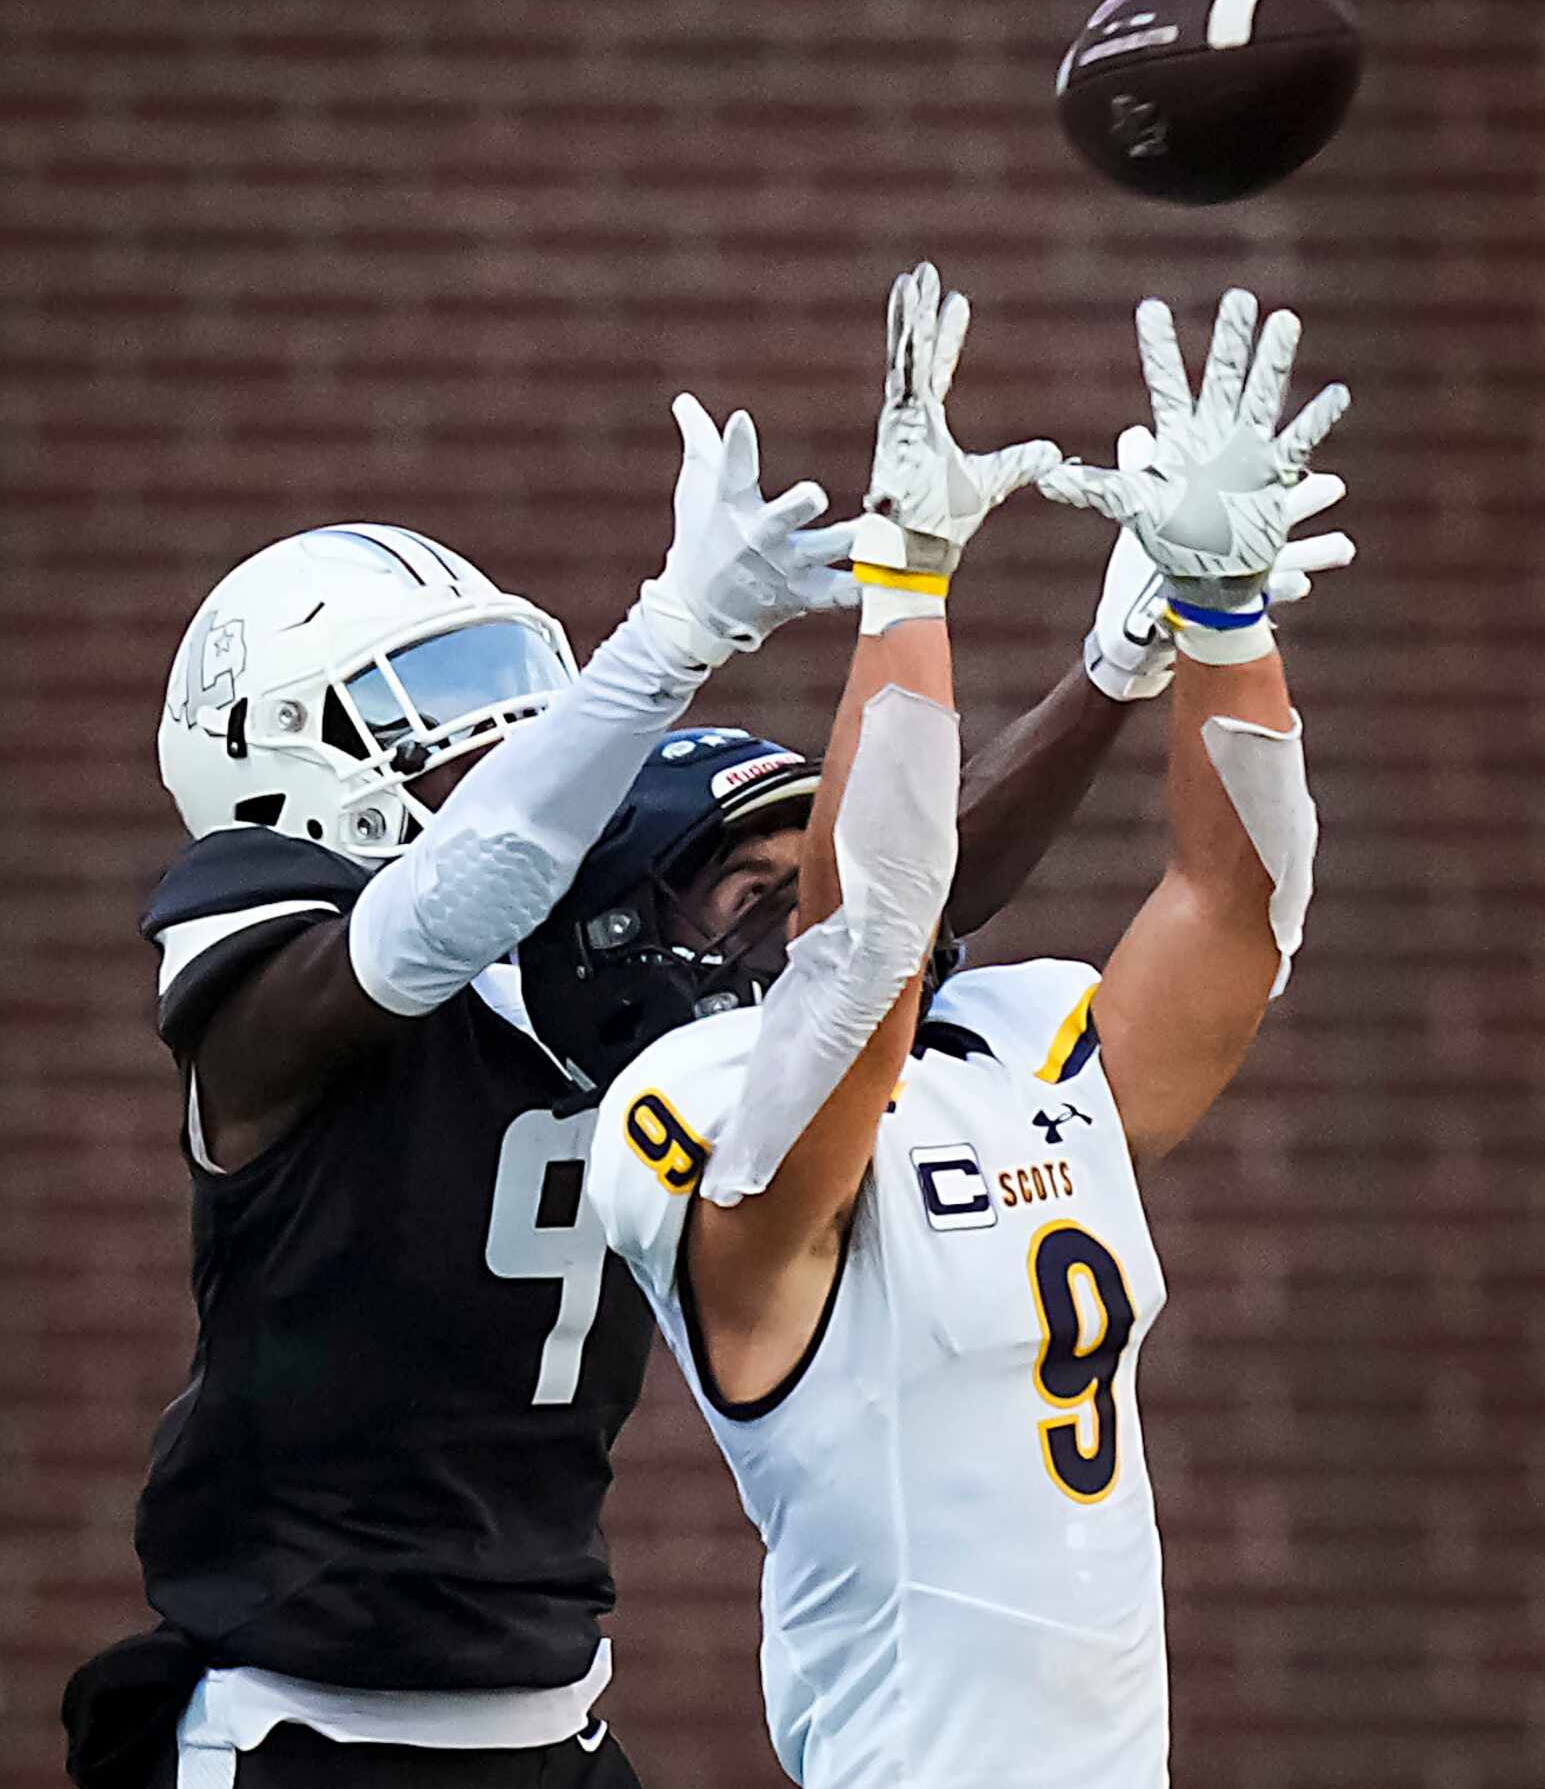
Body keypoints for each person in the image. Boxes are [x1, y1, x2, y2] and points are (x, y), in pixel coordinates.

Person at [62, 333, 1188, 1788]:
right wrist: (664, 640)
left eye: (499, 675)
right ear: (283, 754)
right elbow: (421, 930)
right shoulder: (281, 996)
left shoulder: (580, 954)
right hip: (299, 1730)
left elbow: (880, 913)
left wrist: (1116, 670)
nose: (494, 727)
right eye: (423, 693)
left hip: (550, 1721)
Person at [576, 269, 1350, 1787]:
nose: (782, 893)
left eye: (794, 855)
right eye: (740, 880)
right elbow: (858, 948)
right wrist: (904, 581)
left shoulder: (1007, 1047)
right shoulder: (678, 1105)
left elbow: (1236, 906)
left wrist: (1220, 617)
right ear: (628, 945)